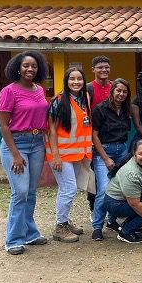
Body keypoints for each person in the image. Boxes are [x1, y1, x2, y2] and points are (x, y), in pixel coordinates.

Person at [0, 50, 50, 255]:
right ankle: (13, 239)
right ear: (18, 68)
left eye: (34, 66)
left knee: (30, 192)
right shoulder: (9, 91)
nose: (30, 69)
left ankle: (30, 233)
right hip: (15, 144)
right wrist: (16, 154)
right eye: (26, 65)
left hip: (37, 143)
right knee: (19, 192)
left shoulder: (39, 90)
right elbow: (3, 125)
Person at [46, 67, 93, 243]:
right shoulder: (59, 101)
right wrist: (56, 156)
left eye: (79, 79)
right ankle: (60, 226)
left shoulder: (84, 98)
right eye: (72, 79)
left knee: (66, 189)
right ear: (66, 81)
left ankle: (64, 221)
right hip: (60, 155)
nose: (76, 82)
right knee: (69, 189)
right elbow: (51, 129)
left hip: (76, 154)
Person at [90, 78, 132, 241]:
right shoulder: (100, 109)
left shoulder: (126, 110)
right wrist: (106, 158)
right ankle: (97, 226)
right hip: (104, 152)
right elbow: (94, 135)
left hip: (122, 150)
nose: (121, 94)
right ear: (112, 91)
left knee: (119, 189)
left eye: (124, 91)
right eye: (118, 90)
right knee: (104, 190)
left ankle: (112, 220)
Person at [85, 55, 112, 216]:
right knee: (95, 178)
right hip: (93, 139)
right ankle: (94, 209)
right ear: (93, 69)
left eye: (106, 67)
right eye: (100, 67)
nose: (104, 70)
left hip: (112, 138)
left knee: (113, 177)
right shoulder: (88, 88)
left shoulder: (114, 86)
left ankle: (110, 211)